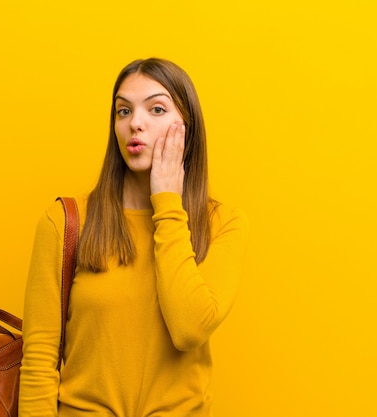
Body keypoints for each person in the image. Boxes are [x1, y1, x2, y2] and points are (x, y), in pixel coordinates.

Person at [19, 57, 249, 417]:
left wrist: (167, 204)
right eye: (123, 111)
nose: (135, 124)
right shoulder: (63, 222)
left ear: (187, 126)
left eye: (156, 108)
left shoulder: (222, 223)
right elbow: (39, 361)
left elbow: (189, 329)